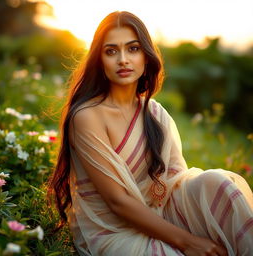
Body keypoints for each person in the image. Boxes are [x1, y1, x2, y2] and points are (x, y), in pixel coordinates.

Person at [48, 11, 253, 256]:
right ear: (99, 60)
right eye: (111, 51)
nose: (123, 59)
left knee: (216, 183)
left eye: (132, 49)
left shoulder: (154, 112)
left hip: (161, 213)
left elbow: (175, 181)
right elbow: (117, 202)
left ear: (146, 56)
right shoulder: (88, 116)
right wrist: (188, 242)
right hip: (114, 230)